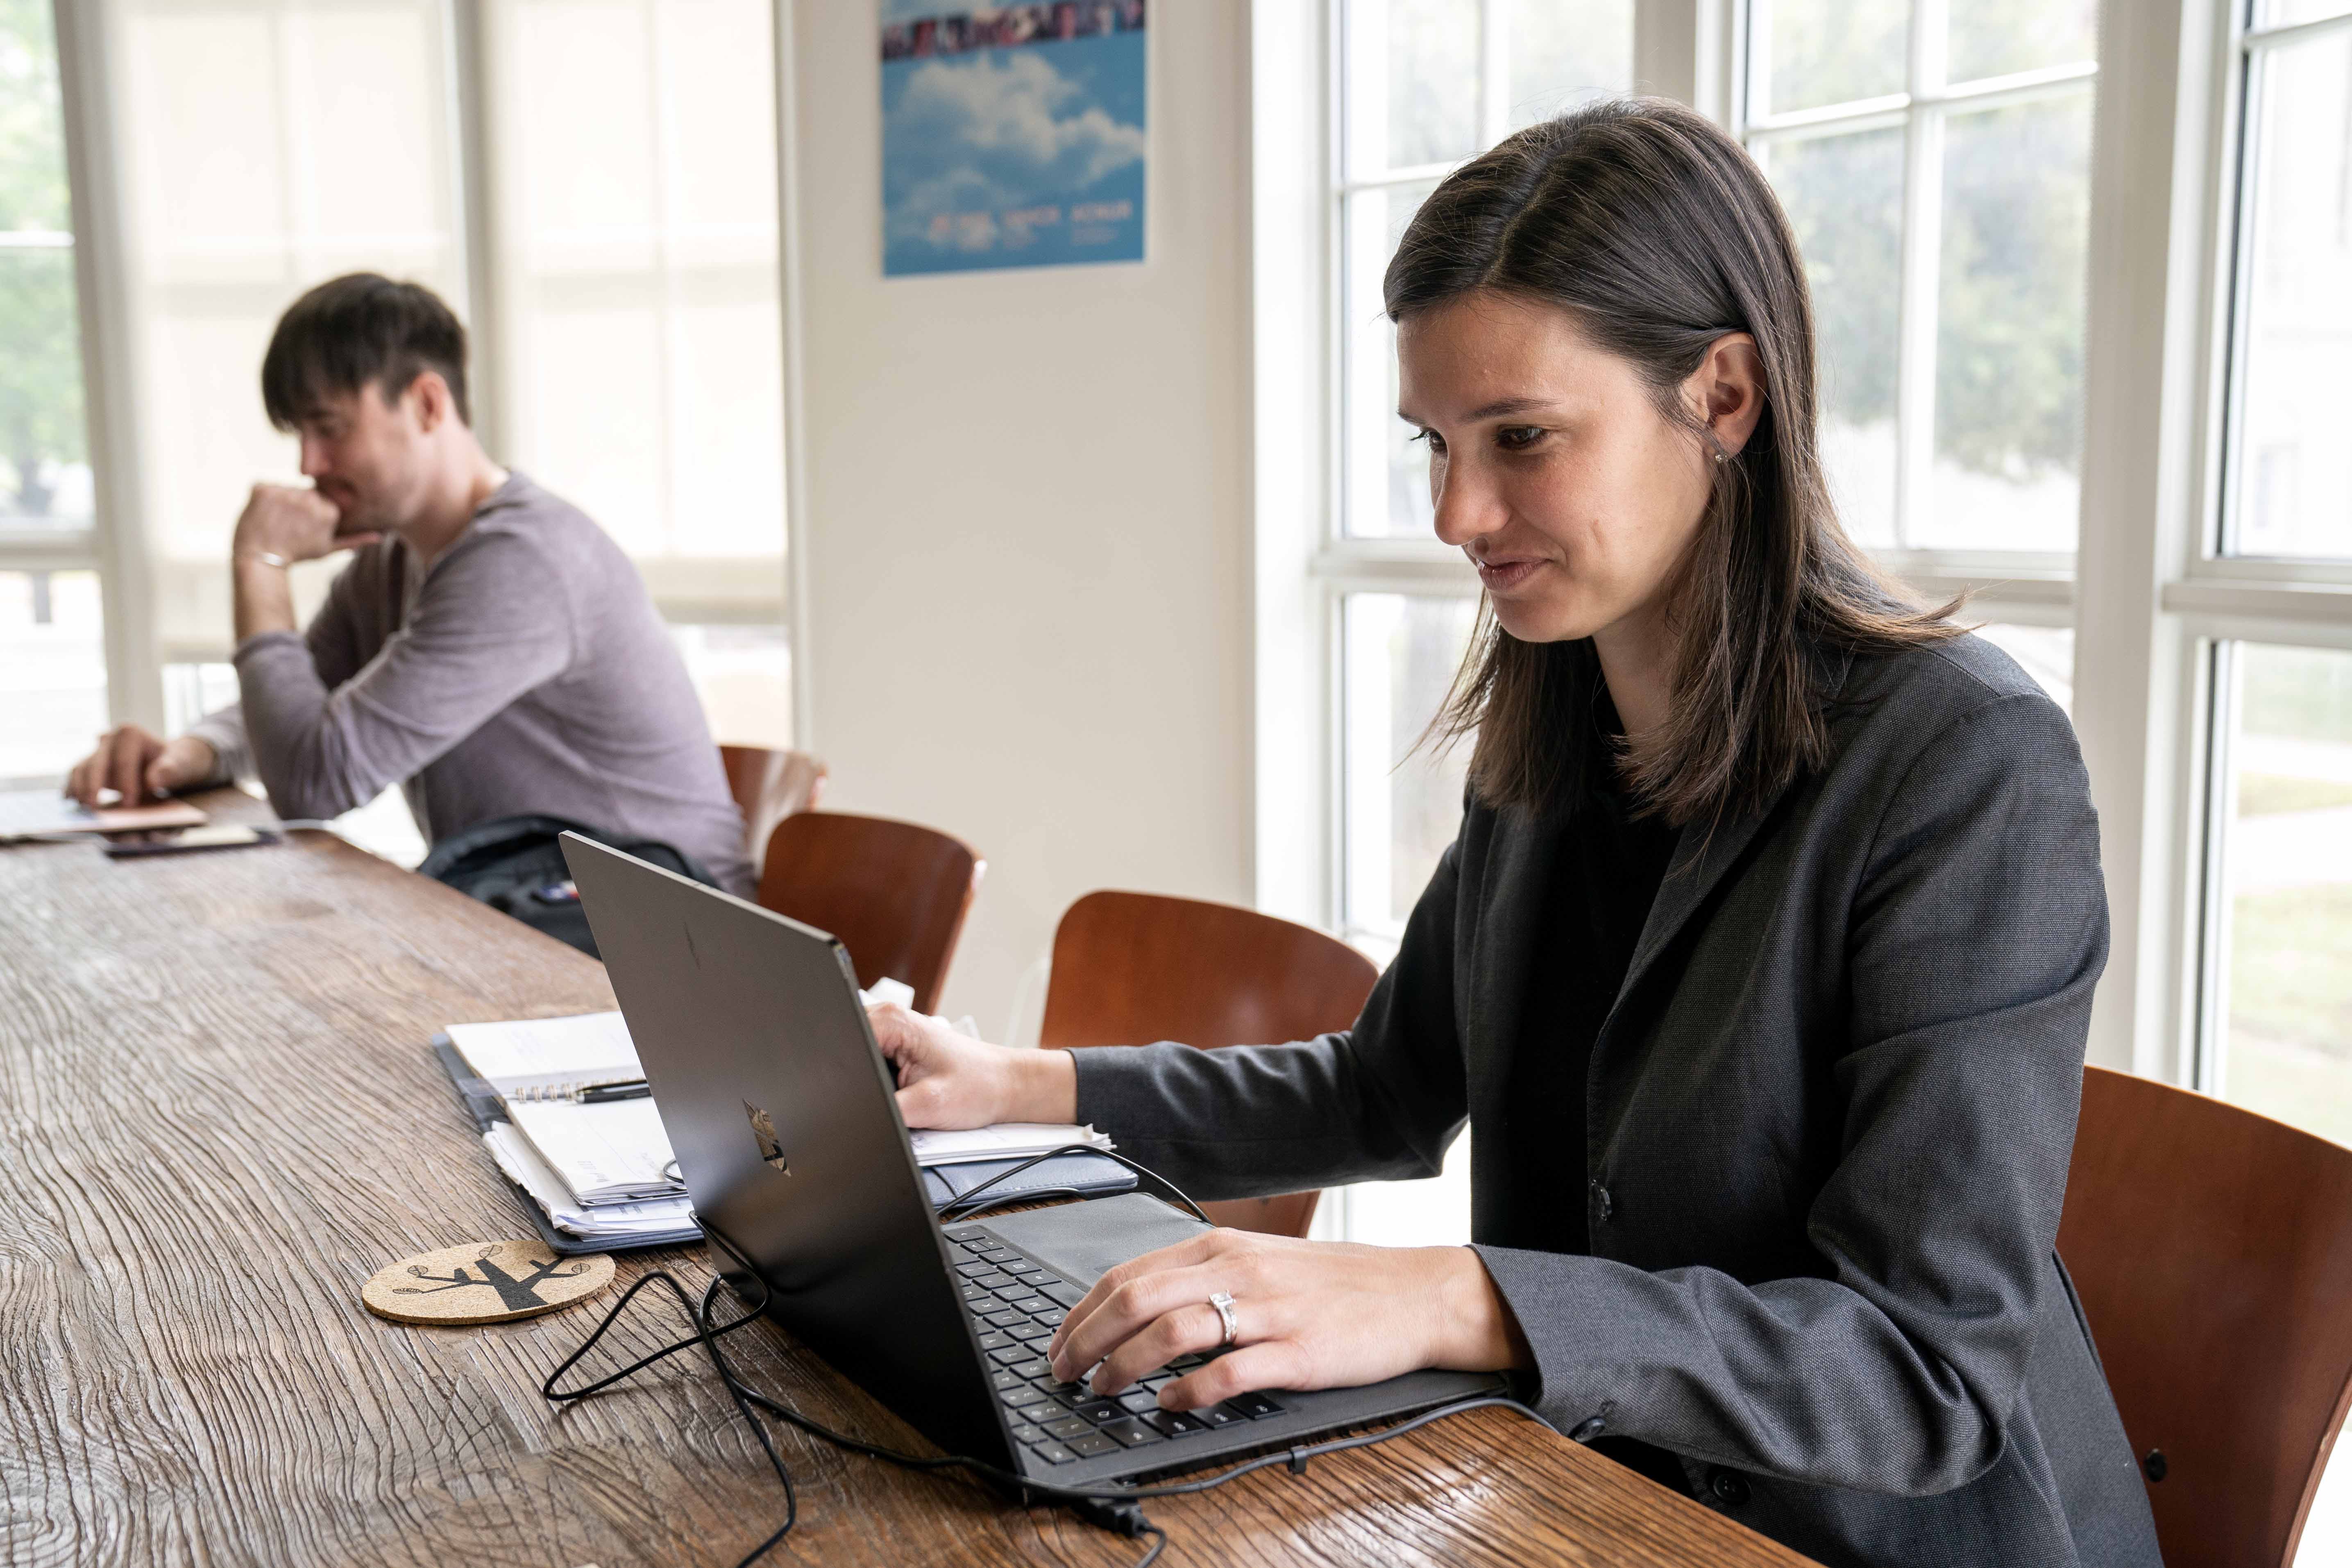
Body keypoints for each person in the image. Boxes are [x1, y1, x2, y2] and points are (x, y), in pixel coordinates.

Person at [869, 99, 2160, 1568]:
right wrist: (1013, 1084)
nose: (1454, 511)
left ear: (1724, 394)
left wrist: (1446, 1295)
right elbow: (1386, 1085)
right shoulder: (1560, 712)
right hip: (1592, 1499)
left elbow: (1922, 1366)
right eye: (1435, 441)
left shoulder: (1963, 759)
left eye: (1521, 438)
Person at [64, 273, 754, 898]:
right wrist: (188, 756)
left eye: (329, 428)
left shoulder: (524, 561)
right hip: (538, 913)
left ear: (427, 402)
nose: (309, 463)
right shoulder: (390, 561)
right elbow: (293, 718)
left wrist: (260, 565)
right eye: (300, 434)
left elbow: (314, 781)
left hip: (671, 945)